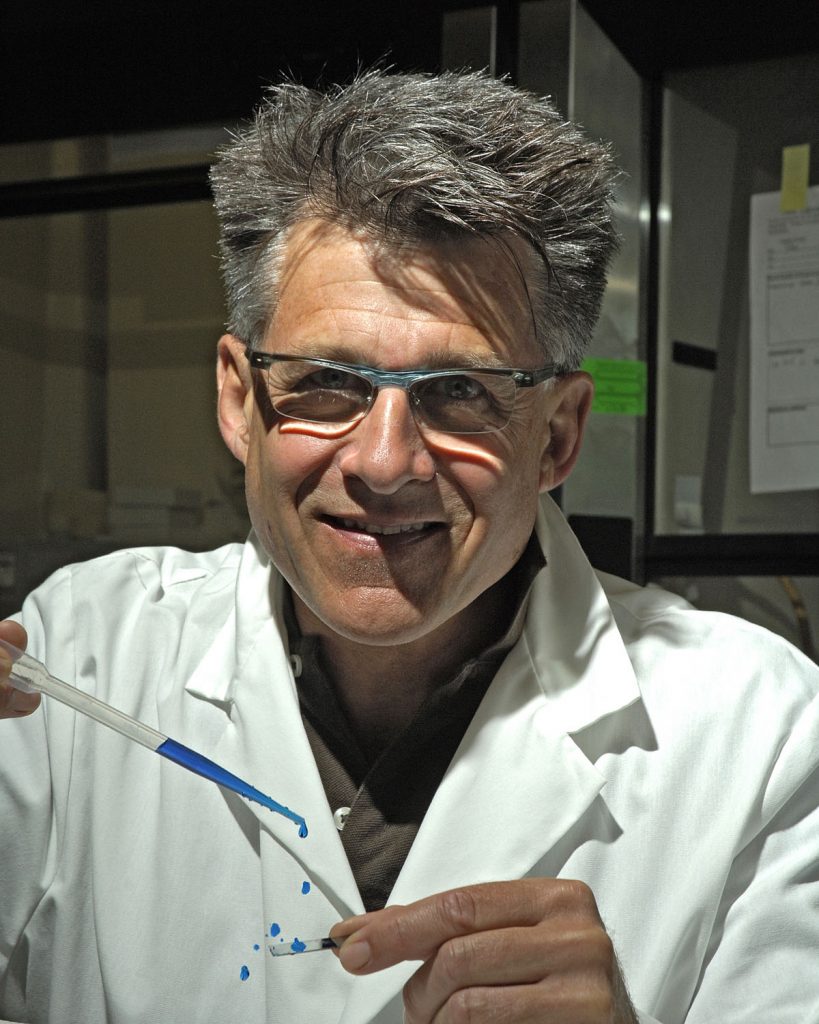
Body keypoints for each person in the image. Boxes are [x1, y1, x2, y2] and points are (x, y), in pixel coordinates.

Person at [1, 68, 817, 1024]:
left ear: (556, 433)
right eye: (325, 382)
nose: (384, 462)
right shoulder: (74, 661)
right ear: (238, 399)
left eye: (461, 391)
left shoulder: (761, 731)